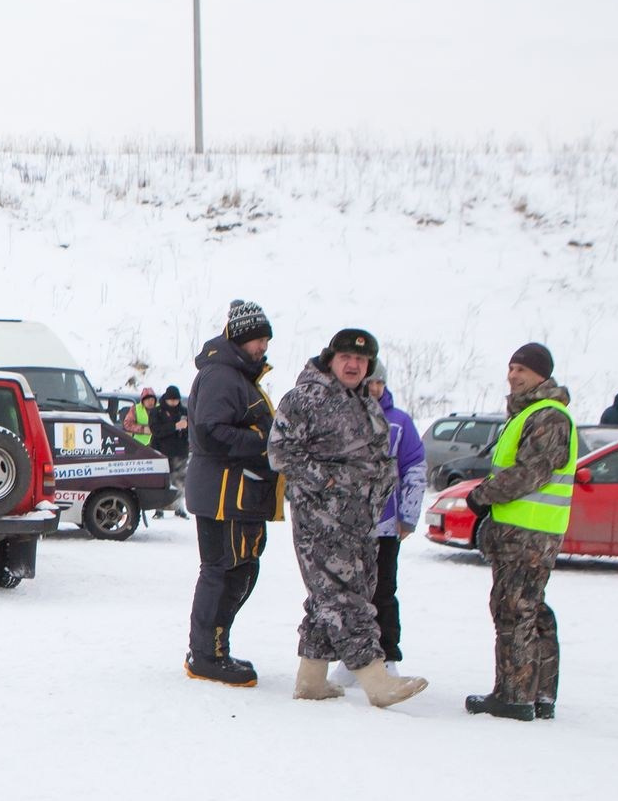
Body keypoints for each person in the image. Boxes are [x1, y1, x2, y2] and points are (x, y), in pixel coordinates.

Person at [267, 329, 428, 708]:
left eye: (361, 360)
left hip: (360, 520)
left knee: (333, 595)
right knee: (343, 598)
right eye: (346, 358)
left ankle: (311, 680)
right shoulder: (305, 398)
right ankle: (377, 681)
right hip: (321, 518)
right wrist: (328, 480)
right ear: (330, 360)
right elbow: (280, 452)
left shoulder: (362, 401)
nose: (354, 365)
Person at [465, 342, 576, 722]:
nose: (513, 376)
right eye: (511, 368)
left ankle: (514, 697)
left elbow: (532, 472)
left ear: (542, 375)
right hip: (521, 530)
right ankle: (539, 694)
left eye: (522, 370)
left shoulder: (548, 416)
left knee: (513, 611)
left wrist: (482, 495)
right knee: (533, 610)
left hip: (528, 534)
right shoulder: (531, 413)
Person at [184, 300, 283, 686]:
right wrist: (262, 439)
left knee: (240, 571)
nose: (263, 347)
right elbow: (210, 431)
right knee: (224, 573)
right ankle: (206, 655)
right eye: (258, 339)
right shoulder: (223, 376)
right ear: (240, 338)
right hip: (225, 493)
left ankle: (213, 649)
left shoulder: (236, 375)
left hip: (237, 494)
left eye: (265, 340)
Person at [367, 362, 425, 673]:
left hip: (386, 525)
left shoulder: (399, 422)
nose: (375, 388)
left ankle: (387, 655)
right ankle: (354, 658)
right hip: (349, 526)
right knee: (350, 593)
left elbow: (415, 468)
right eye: (370, 382)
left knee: (383, 590)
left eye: (380, 382)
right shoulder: (346, 417)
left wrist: (408, 515)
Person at [153, 385, 192, 516]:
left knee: (180, 480)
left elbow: (192, 429)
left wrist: (186, 427)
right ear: (166, 399)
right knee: (161, 481)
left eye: (176, 400)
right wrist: (174, 427)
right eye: (171, 400)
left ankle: (180, 507)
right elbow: (156, 431)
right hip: (160, 452)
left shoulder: (184, 412)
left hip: (180, 451)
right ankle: (159, 508)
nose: (174, 403)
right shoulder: (157, 412)